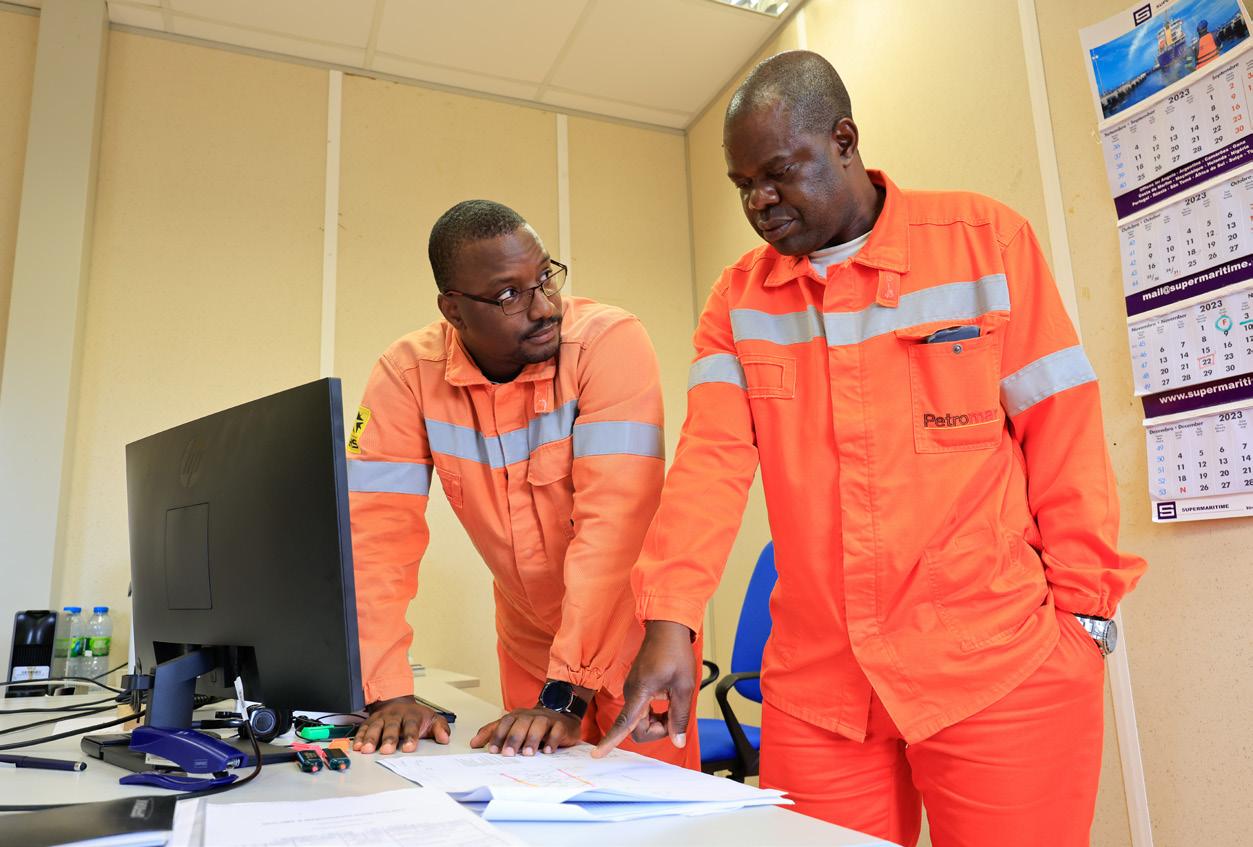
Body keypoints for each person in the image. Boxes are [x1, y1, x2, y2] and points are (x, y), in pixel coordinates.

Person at [595, 51, 1146, 847]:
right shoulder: (737, 300)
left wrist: (1084, 617)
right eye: (742, 184)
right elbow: (708, 465)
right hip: (818, 687)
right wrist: (670, 618)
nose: (758, 201)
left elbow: (1063, 430)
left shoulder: (983, 241)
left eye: (778, 173)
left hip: (994, 666)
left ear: (844, 140)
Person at [347, 199, 700, 767]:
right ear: (454, 310)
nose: (544, 306)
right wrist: (386, 691)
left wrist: (567, 693)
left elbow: (615, 527)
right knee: (532, 799)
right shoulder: (407, 374)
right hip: (530, 638)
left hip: (633, 637)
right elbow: (374, 540)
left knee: (652, 805)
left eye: (546, 277)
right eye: (510, 294)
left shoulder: (608, 342)